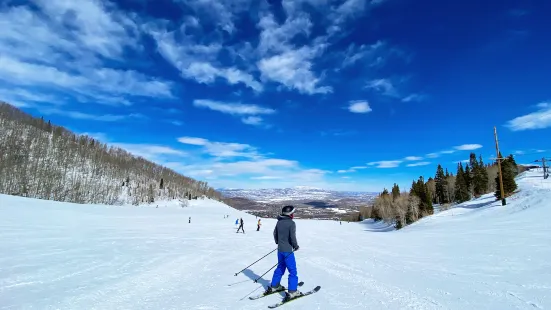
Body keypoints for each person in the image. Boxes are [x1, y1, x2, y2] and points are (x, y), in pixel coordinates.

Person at [264, 205, 302, 301]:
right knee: (292, 271)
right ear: (290, 214)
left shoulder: (279, 222)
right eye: (293, 213)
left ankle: (274, 285)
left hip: (280, 249)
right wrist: (295, 246)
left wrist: (278, 242)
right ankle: (293, 292)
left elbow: (274, 233)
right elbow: (292, 237)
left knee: (280, 267)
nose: (293, 214)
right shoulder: (291, 223)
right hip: (288, 251)